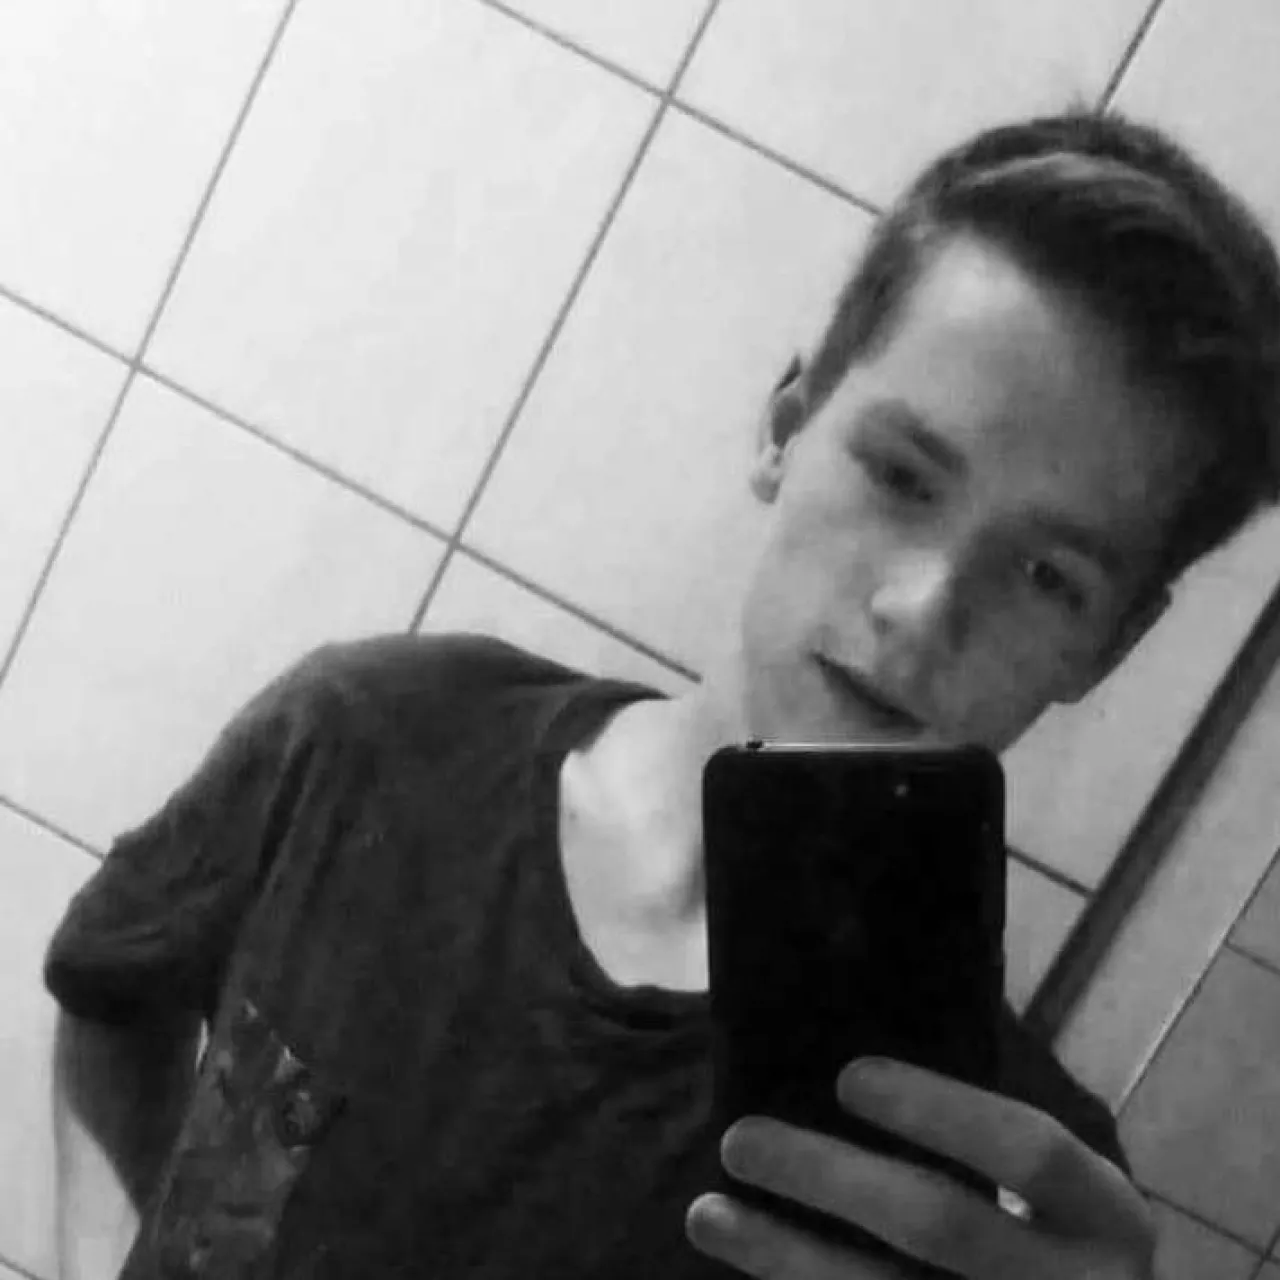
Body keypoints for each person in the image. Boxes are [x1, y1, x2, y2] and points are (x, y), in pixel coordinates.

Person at [45, 108, 1280, 1280]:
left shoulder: (994, 1192)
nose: (920, 607)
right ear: (786, 425)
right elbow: (113, 998)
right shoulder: (371, 741)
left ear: (1106, 647)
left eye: (1047, 576)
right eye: (902, 475)